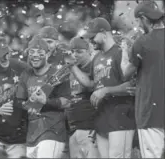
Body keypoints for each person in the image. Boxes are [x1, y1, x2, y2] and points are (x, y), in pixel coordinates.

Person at [71, 17, 136, 158]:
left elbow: (132, 85)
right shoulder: (97, 57)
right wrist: (72, 66)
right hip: (102, 119)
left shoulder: (120, 52)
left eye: (93, 37)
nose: (90, 40)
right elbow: (91, 84)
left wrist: (106, 91)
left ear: (104, 33)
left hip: (121, 117)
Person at [123, 1, 165, 158]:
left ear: (144, 18)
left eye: (138, 20)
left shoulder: (142, 42)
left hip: (150, 112)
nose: (139, 25)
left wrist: (124, 52)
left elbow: (126, 73)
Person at [18, 36, 70, 158]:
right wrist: (27, 105)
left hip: (52, 132)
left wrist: (45, 101)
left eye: (40, 52)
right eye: (32, 52)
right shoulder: (25, 75)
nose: (35, 55)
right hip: (31, 134)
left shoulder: (58, 74)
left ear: (47, 54)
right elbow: (19, 100)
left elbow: (67, 102)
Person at [65, 37, 100, 158]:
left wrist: (72, 67)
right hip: (73, 129)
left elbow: (91, 86)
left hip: (90, 128)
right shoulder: (71, 70)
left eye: (79, 51)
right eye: (73, 51)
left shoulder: (95, 65)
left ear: (89, 51)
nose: (75, 55)